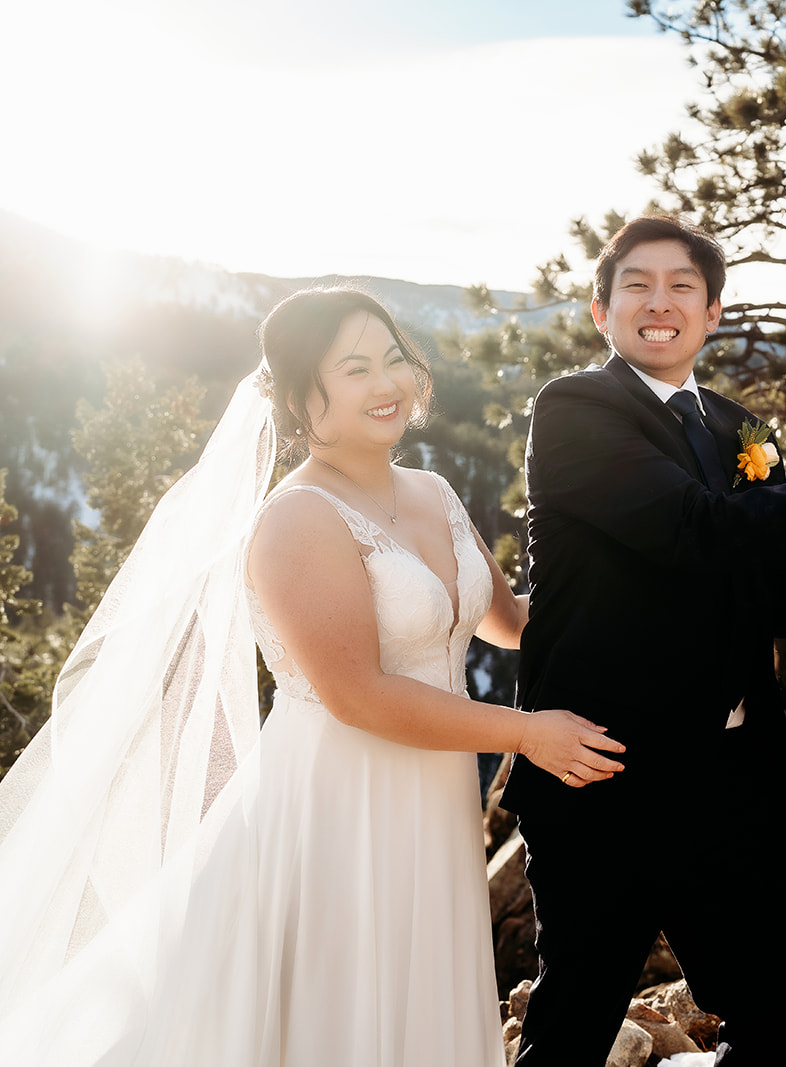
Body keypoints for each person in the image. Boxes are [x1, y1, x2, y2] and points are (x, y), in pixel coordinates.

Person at [0, 287, 620, 1065]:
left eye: (394, 358)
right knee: (335, 1007)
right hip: (337, 798)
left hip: (432, 792)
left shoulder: (433, 491)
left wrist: (631, 584)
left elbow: (509, 619)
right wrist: (527, 734)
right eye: (354, 367)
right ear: (298, 398)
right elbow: (356, 694)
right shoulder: (296, 520)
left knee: (415, 993)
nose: (386, 382)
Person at [501, 215, 786, 1064]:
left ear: (713, 313)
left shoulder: (742, 429)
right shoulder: (575, 411)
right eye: (636, 285)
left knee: (779, 1011)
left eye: (683, 287)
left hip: (735, 783)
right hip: (604, 772)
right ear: (602, 311)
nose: (659, 302)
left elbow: (753, 576)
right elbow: (694, 529)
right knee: (575, 1020)